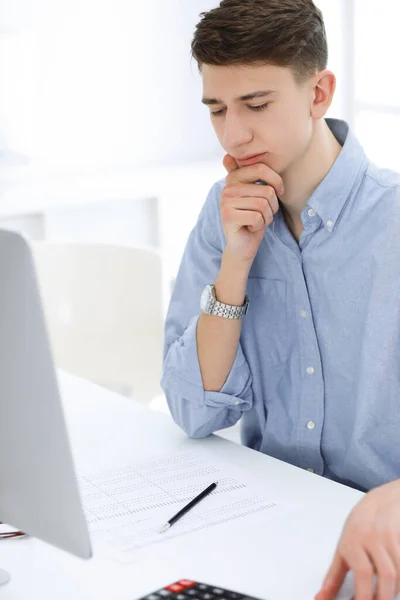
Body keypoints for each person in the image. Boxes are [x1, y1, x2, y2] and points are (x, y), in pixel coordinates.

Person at [161, 1, 400, 598]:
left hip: (383, 542)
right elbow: (196, 413)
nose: (233, 134)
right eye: (217, 109)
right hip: (269, 531)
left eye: (257, 105)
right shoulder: (222, 219)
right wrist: (236, 263)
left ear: (319, 93)